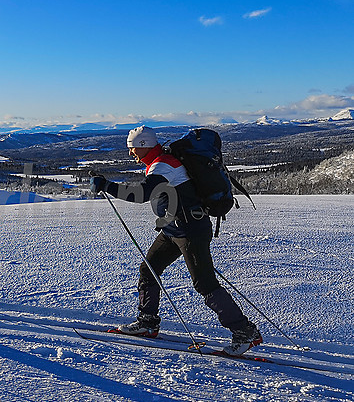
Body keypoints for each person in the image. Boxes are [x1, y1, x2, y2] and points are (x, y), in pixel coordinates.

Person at [89, 125, 262, 355]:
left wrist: (106, 186)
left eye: (132, 149)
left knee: (205, 284)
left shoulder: (163, 165)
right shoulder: (160, 162)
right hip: (173, 230)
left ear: (144, 146)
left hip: (191, 231)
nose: (131, 154)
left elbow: (141, 194)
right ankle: (147, 323)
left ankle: (245, 331)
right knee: (148, 269)